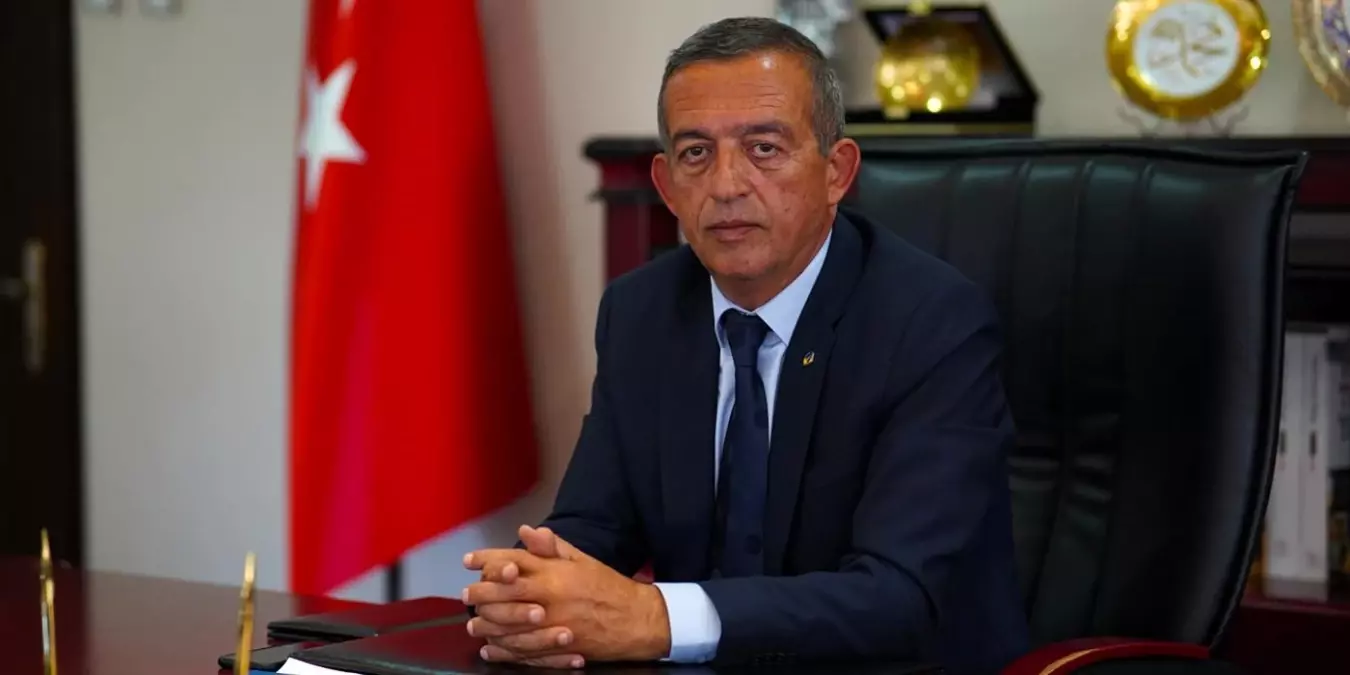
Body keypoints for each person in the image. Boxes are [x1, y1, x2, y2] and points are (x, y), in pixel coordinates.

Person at [460, 16, 1029, 675]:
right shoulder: (642, 312)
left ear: (837, 172)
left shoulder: (931, 322)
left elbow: (896, 597)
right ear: (667, 186)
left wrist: (655, 617)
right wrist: (530, 594)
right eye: (696, 153)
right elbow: (594, 527)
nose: (727, 184)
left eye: (764, 148)